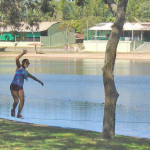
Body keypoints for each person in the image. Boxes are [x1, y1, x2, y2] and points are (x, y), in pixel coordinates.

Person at [10, 49, 44, 119]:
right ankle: (13, 110)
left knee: (22, 100)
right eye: (27, 63)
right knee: (16, 101)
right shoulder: (19, 67)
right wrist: (23, 53)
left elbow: (32, 77)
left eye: (28, 63)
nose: (28, 64)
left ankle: (18, 114)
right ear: (23, 63)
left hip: (20, 87)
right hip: (14, 86)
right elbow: (16, 58)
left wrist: (40, 81)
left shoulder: (26, 72)